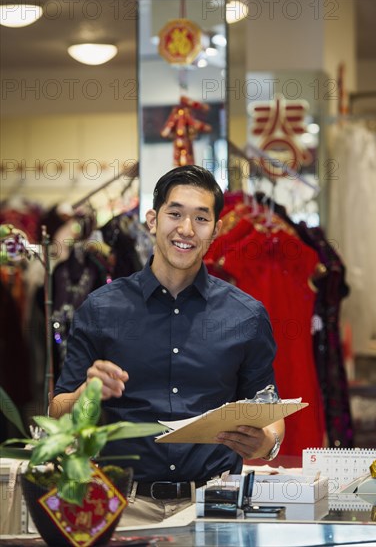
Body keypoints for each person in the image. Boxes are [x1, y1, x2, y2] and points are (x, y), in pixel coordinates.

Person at [49, 165, 285, 524]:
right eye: (175, 213)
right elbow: (57, 412)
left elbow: (269, 407)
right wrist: (88, 392)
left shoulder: (246, 315)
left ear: (216, 230)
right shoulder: (100, 309)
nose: (186, 230)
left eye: (201, 218)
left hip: (216, 506)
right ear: (152, 220)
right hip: (121, 506)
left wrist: (268, 445)